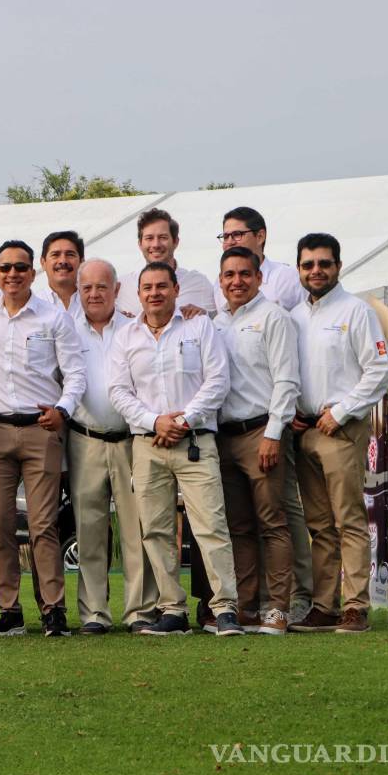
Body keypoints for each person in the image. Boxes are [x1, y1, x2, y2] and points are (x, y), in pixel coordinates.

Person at [108, 261, 242, 636]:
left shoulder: (200, 327)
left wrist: (182, 421)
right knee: (156, 530)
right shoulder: (126, 336)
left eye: (162, 286)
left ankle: (225, 608)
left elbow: (218, 380)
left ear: (175, 289)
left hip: (196, 440)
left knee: (211, 525)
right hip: (148, 443)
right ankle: (172, 610)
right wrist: (155, 422)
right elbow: (118, 390)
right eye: (147, 287)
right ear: (138, 294)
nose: (155, 293)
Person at [0, 239, 85, 637]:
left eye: (20, 268)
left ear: (32, 273)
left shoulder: (53, 318)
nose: (13, 275)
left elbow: (75, 373)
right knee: (0, 525)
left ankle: (53, 608)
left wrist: (64, 409)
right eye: (5, 268)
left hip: (41, 428)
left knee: (43, 525)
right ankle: (9, 609)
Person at [288, 233, 388, 634]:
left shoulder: (357, 312)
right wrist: (295, 413)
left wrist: (343, 410)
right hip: (305, 430)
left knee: (348, 518)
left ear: (338, 266)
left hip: (342, 428)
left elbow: (381, 371)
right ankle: (324, 606)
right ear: (299, 269)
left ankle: (356, 606)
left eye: (324, 263)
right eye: (308, 264)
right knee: (318, 525)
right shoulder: (294, 317)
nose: (316, 271)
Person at [213, 206, 312, 623]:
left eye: (244, 275)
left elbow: (286, 381)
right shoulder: (215, 323)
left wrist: (274, 433)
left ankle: (277, 606)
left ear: (258, 278)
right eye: (229, 276)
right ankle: (248, 605)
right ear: (221, 281)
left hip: (261, 433)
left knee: (273, 523)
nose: (237, 282)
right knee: (239, 526)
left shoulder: (273, 317)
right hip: (224, 435)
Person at [67, 259, 158, 634]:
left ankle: (139, 611)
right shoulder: (68, 331)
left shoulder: (134, 329)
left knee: (136, 528)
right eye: (86, 288)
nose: (94, 294)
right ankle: (94, 613)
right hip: (84, 438)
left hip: (131, 440)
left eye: (102, 286)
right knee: (89, 529)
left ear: (117, 289)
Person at [117, 209, 216, 318]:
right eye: (149, 238)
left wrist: (204, 316)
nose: (156, 244)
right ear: (140, 244)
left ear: (175, 242)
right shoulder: (123, 287)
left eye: (163, 237)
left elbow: (219, 322)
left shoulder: (199, 283)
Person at [39, 230, 84, 316]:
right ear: (43, 262)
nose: (63, 261)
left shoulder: (95, 301)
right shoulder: (33, 305)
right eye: (55, 255)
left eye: (70, 254)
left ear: (82, 262)